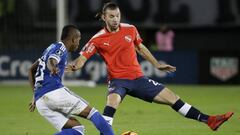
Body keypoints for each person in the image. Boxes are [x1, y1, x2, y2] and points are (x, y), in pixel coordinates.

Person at [65, 2, 234, 133]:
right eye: (111, 16)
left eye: (117, 15)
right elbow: (82, 59)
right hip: (118, 81)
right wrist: (74, 66)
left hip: (139, 79)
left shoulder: (130, 29)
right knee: (111, 105)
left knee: (172, 97)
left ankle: (210, 121)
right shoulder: (98, 39)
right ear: (104, 17)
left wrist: (157, 64)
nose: (115, 19)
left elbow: (140, 47)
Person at [28, 25, 114, 135]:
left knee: (77, 129)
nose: (79, 43)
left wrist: (35, 94)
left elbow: (31, 70)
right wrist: (53, 67)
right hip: (54, 93)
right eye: (78, 40)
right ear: (73, 39)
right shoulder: (61, 47)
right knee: (92, 113)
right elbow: (52, 60)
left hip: (41, 102)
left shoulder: (50, 47)